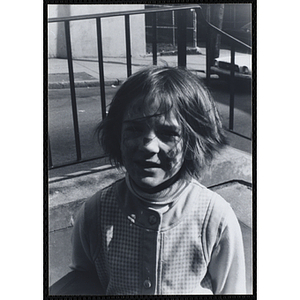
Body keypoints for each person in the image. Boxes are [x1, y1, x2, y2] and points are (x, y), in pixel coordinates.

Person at [51, 66, 246, 295]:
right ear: (117, 135)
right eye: (134, 129)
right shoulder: (94, 214)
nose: (148, 146)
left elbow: (232, 289)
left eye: (168, 133)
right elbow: (82, 282)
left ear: (194, 141)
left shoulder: (215, 217)